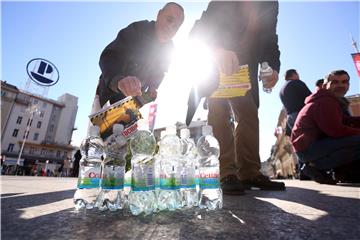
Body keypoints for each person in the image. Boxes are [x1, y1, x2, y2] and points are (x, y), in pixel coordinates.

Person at [189, 1, 285, 194]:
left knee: (249, 114)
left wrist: (273, 67)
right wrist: (217, 51)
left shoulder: (270, 3)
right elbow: (200, 30)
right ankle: (226, 173)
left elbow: (269, 39)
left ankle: (249, 173)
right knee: (218, 111)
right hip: (218, 63)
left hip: (245, 67)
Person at [96, 2, 184, 108]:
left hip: (130, 105)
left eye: (176, 27)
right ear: (159, 14)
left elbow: (160, 72)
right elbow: (108, 56)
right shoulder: (138, 29)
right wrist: (118, 80)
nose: (171, 27)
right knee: (100, 123)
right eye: (169, 20)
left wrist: (153, 87)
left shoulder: (169, 49)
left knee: (123, 122)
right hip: (109, 95)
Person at [291, 70, 360, 184]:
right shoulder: (325, 101)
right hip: (309, 149)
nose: (340, 85)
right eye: (335, 82)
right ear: (325, 85)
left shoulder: (327, 99)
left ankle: (341, 172)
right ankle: (317, 167)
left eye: (344, 82)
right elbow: (336, 131)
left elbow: (344, 120)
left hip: (310, 147)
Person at [279, 69, 311, 136]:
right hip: (301, 115)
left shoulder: (281, 90)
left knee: (300, 141)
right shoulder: (296, 82)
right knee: (311, 139)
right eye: (297, 74)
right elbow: (310, 97)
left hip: (290, 118)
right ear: (294, 74)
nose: (299, 76)